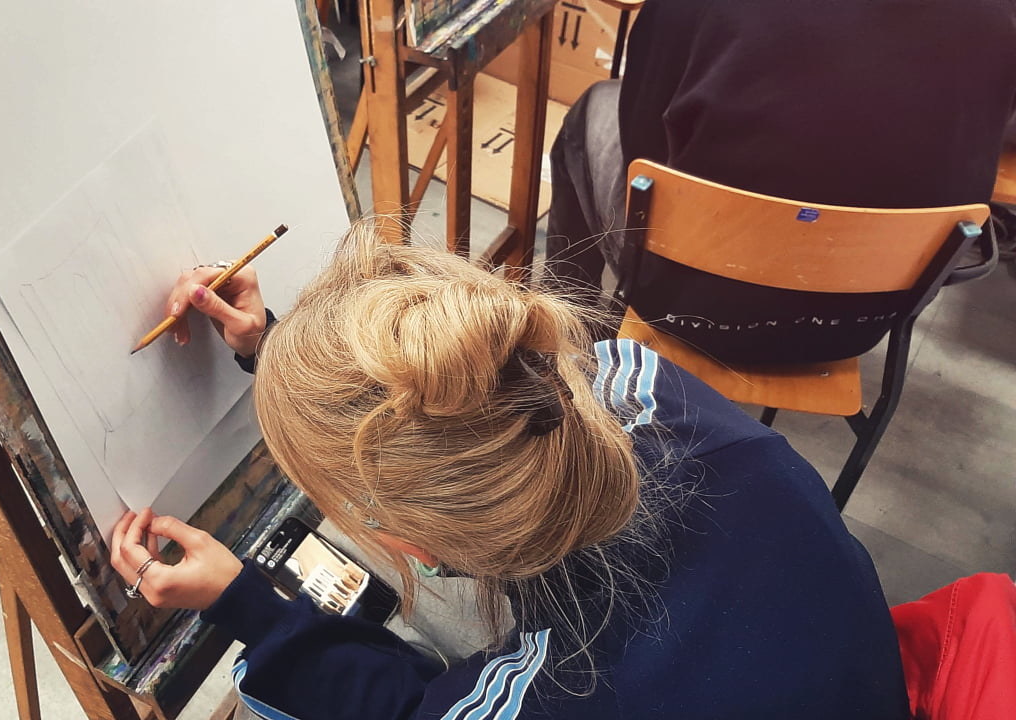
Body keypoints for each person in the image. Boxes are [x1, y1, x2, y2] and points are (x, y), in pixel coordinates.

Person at [109, 222, 910, 719]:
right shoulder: (642, 385)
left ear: (415, 547)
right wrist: (276, 346)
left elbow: (407, 710)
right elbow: (478, 405)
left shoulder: (559, 697)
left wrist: (247, 605)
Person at [545, 0, 1016, 309]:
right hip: (867, 313)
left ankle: (564, 339)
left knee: (594, 108)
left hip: (689, 298)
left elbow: (642, 142)